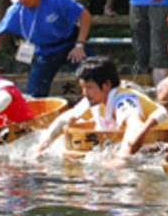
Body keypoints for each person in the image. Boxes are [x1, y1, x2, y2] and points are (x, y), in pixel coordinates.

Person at [0, 0, 91, 98]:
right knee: (34, 94)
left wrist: (79, 44)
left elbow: (85, 16)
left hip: (70, 44)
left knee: (95, 73)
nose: (22, 0)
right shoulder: (15, 10)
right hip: (44, 52)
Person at [33, 56, 161, 157]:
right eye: (83, 88)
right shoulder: (97, 99)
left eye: (89, 88)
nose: (85, 93)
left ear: (106, 85)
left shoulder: (124, 99)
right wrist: (41, 147)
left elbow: (135, 126)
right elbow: (65, 119)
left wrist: (121, 158)